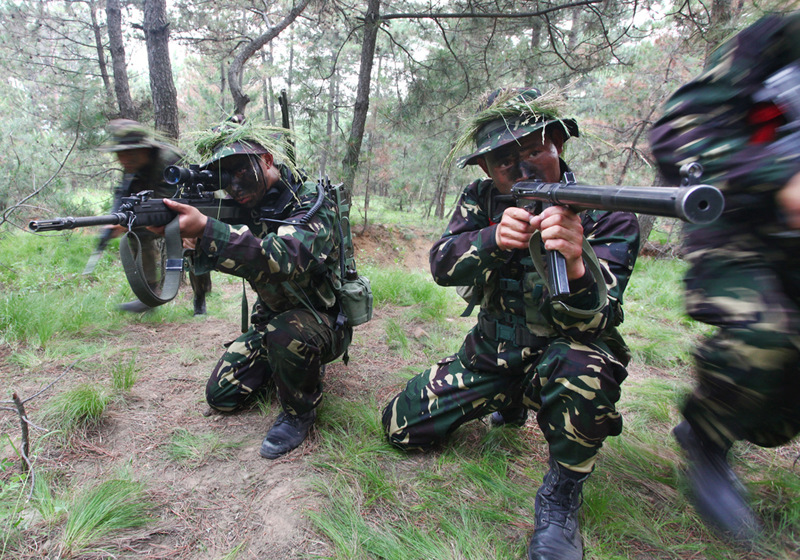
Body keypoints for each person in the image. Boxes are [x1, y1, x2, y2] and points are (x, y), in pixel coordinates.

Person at [382, 87, 640, 560]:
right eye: (505, 162)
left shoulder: (607, 211)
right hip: (492, 357)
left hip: (562, 361)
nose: (523, 170)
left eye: (535, 151)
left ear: (558, 144)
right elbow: (441, 265)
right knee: (399, 427)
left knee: (587, 366)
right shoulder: (480, 200)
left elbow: (603, 316)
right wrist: (491, 239)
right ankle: (509, 403)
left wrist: (577, 262)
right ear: (486, 170)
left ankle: (561, 496)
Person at [649, 11, 800, 543]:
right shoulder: (775, 40)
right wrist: (778, 176)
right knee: (764, 339)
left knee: (777, 415)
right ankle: (707, 439)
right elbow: (676, 135)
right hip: (740, 231)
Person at [154, 119, 352, 459]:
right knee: (222, 396)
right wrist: (189, 240)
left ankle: (298, 413)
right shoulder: (248, 205)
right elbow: (237, 255)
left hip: (322, 320)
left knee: (286, 334)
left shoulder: (312, 202)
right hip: (271, 321)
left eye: (240, 170)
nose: (233, 184)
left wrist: (208, 230)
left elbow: (284, 258)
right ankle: (286, 366)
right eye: (223, 176)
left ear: (267, 160)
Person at [99, 119, 213, 315]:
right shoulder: (133, 166)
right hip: (159, 210)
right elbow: (122, 192)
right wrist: (115, 219)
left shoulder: (170, 159)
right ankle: (149, 293)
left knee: (194, 246)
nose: (123, 160)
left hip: (194, 207)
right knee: (135, 230)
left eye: (128, 153)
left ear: (143, 149)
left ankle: (200, 297)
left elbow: (178, 198)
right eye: (119, 154)